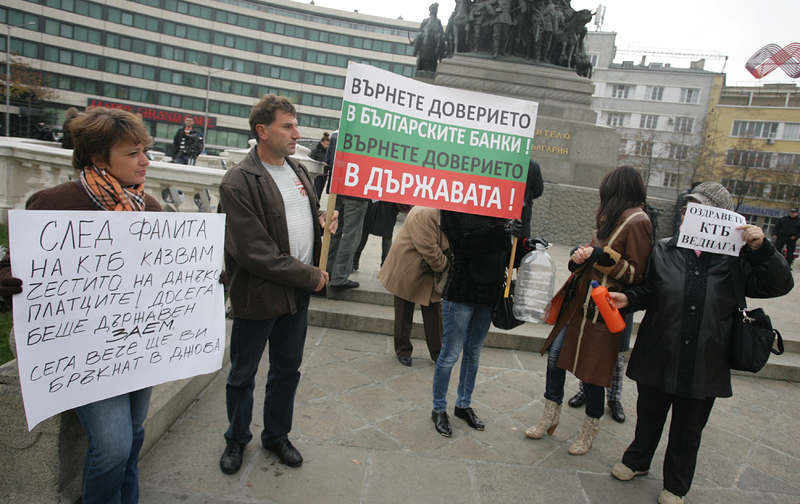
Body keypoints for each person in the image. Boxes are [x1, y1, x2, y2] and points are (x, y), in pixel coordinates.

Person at [0, 107, 162, 504]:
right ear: (97, 157)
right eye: (132, 153)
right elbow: (11, 263)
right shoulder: (54, 204)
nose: (144, 162)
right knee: (111, 446)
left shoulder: (150, 208)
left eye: (145, 151)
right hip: (84, 351)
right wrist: (8, 279)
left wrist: (202, 280)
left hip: (136, 345)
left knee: (135, 434)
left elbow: (167, 270)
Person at [609, 182, 793, 504]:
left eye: (696, 208)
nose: (686, 214)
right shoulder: (665, 248)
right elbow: (651, 290)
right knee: (649, 413)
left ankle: (676, 485)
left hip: (707, 355)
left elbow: (779, 283)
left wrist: (763, 248)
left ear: (719, 216)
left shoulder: (736, 259)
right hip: (660, 347)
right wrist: (630, 298)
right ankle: (637, 461)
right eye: (686, 208)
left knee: (688, 427)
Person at [217, 94, 337, 474]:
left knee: (287, 369)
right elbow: (255, 252)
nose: (296, 134)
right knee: (243, 373)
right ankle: (237, 438)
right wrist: (312, 276)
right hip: (258, 295)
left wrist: (322, 221)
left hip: (296, 295)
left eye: (295, 125)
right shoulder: (238, 181)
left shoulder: (299, 171)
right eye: (287, 126)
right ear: (262, 130)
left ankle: (276, 435)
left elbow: (301, 215)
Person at [525, 166, 652, 455]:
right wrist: (579, 258)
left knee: (592, 373)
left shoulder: (638, 221)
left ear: (619, 190)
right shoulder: (609, 218)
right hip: (578, 305)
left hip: (603, 311)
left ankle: (589, 429)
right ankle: (550, 414)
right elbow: (594, 255)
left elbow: (637, 274)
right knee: (555, 357)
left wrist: (598, 257)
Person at [431, 211, 540, 436]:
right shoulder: (456, 205)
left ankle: (463, 404)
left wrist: (527, 244)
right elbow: (462, 244)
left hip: (488, 295)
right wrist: (501, 231)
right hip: (462, 292)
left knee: (474, 353)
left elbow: (507, 254)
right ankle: (438, 409)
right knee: (450, 354)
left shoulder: (502, 209)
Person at [379, 206, 449, 367]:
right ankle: (403, 350)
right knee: (404, 312)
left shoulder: (453, 215)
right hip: (408, 268)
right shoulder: (424, 213)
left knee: (435, 314)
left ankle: (439, 354)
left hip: (430, 271)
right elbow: (429, 249)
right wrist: (448, 269)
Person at [325, 130, 368, 291]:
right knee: (351, 235)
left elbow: (328, 160)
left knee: (334, 231)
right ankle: (339, 277)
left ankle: (327, 271)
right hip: (356, 190)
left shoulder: (336, 134)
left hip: (336, 187)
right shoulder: (368, 134)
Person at [353, 201, 400, 270]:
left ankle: (354, 262)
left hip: (373, 200)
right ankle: (385, 268)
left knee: (364, 231)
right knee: (387, 234)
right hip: (389, 203)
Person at [310, 132, 331, 199]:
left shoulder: (328, 152)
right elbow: (312, 160)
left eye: (328, 144)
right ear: (321, 142)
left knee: (320, 191)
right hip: (317, 174)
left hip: (324, 173)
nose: (326, 146)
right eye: (325, 144)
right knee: (316, 191)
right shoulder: (316, 150)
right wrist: (320, 163)